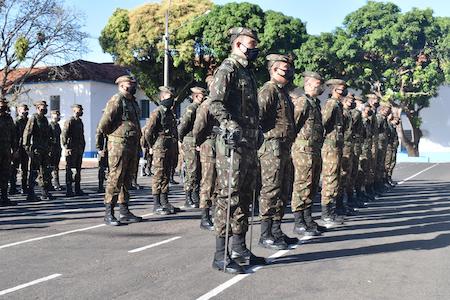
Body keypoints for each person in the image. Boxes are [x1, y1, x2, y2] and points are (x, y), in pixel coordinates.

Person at [208, 27, 266, 274]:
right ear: (239, 45)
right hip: (232, 145)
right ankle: (221, 255)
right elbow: (215, 104)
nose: (255, 48)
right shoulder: (227, 70)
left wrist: (257, 130)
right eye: (252, 43)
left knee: (244, 196)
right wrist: (229, 124)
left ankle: (240, 248)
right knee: (228, 198)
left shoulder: (247, 73)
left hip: (249, 144)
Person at [257, 54, 298, 249]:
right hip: (272, 148)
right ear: (273, 69)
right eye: (284, 68)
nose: (289, 71)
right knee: (271, 190)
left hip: (284, 147)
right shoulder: (268, 90)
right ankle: (265, 234)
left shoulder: (282, 92)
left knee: (282, 191)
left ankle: (276, 230)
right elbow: (258, 118)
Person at [97, 75, 143, 226]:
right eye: (131, 84)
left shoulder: (132, 101)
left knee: (127, 179)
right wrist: (113, 137)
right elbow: (104, 124)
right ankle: (109, 212)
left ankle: (124, 211)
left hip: (131, 144)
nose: (134, 86)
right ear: (123, 85)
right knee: (115, 178)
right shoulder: (117, 100)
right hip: (119, 145)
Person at [290, 72, 326, 240]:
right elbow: (293, 125)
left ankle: (308, 218)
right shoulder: (302, 102)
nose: (321, 87)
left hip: (314, 150)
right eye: (318, 84)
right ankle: (299, 222)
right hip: (303, 151)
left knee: (311, 185)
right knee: (302, 185)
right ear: (310, 84)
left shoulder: (315, 103)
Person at [144, 86, 180, 215]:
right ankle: (156, 203)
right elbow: (148, 131)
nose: (172, 100)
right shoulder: (157, 112)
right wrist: (151, 146)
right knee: (158, 175)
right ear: (163, 97)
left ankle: (165, 201)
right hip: (159, 146)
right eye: (170, 97)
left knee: (166, 174)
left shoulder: (170, 112)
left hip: (169, 146)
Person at [320, 79, 346, 228]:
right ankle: (326, 213)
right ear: (334, 89)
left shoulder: (337, 104)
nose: (343, 92)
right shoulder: (331, 104)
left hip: (336, 146)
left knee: (334, 178)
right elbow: (324, 122)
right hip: (330, 147)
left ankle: (331, 210)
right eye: (340, 89)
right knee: (329, 179)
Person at [178, 87, 207, 208]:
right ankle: (188, 196)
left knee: (198, 170)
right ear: (195, 96)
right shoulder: (192, 108)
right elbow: (183, 125)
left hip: (198, 141)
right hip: (190, 141)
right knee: (192, 169)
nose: (204, 98)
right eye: (201, 96)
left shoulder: (201, 108)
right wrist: (180, 140)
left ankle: (195, 194)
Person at [193, 94, 218, 231]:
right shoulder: (207, 104)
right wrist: (198, 142)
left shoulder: (225, 103)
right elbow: (199, 126)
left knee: (220, 183)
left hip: (221, 145)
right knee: (208, 181)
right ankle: (205, 217)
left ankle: (217, 214)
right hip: (209, 145)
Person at [23, 100, 53, 201]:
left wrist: (50, 145)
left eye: (45, 107)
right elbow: (27, 132)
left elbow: (48, 134)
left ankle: (44, 192)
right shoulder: (33, 118)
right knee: (34, 171)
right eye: (42, 107)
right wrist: (27, 147)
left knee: (45, 171)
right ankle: (30, 193)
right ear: (37, 107)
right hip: (36, 149)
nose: (44, 109)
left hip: (44, 149)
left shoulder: (45, 119)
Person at [62, 104, 86, 197]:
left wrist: (83, 146)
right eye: (80, 109)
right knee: (69, 169)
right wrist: (66, 147)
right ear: (75, 110)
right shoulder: (70, 121)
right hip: (71, 148)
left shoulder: (80, 121)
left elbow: (82, 135)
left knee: (78, 170)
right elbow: (64, 134)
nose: (81, 111)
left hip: (79, 148)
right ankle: (69, 190)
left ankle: (77, 188)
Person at [0, 99, 17, 206]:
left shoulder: (8, 118)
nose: (3, 108)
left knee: (5, 174)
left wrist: (15, 150)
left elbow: (14, 135)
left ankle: (4, 197)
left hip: (6, 150)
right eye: (1, 106)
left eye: (4, 106)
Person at [10, 103, 29, 195]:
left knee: (25, 169)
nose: (25, 111)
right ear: (19, 111)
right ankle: (13, 187)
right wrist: (15, 149)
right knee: (14, 168)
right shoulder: (16, 121)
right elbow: (14, 136)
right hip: (17, 147)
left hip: (25, 148)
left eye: (26, 110)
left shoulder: (28, 121)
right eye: (23, 110)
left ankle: (24, 187)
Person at [49, 110, 62, 191]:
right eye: (55, 115)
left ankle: (57, 183)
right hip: (51, 148)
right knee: (50, 166)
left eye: (58, 115)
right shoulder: (50, 126)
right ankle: (49, 184)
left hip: (57, 148)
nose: (57, 116)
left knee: (56, 167)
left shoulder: (57, 126)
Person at [95, 127, 108, 193]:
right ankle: (100, 186)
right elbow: (98, 136)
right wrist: (99, 149)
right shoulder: (101, 125)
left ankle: (109, 186)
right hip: (103, 150)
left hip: (110, 150)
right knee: (101, 169)